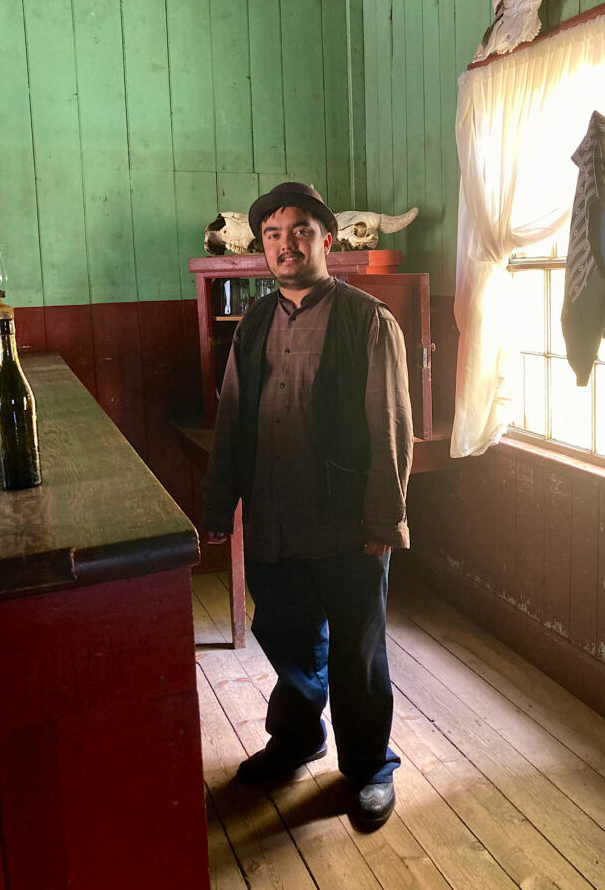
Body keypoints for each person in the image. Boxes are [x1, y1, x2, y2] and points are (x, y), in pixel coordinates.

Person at [202, 181, 413, 829]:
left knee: (357, 648)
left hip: (347, 521)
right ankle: (297, 740)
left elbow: (391, 426)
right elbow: (234, 415)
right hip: (273, 515)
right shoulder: (256, 320)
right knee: (286, 636)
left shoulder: (367, 320)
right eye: (272, 234)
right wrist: (221, 506)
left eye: (299, 231)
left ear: (325, 240)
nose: (286, 244)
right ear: (262, 247)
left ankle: (369, 766)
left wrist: (383, 519)